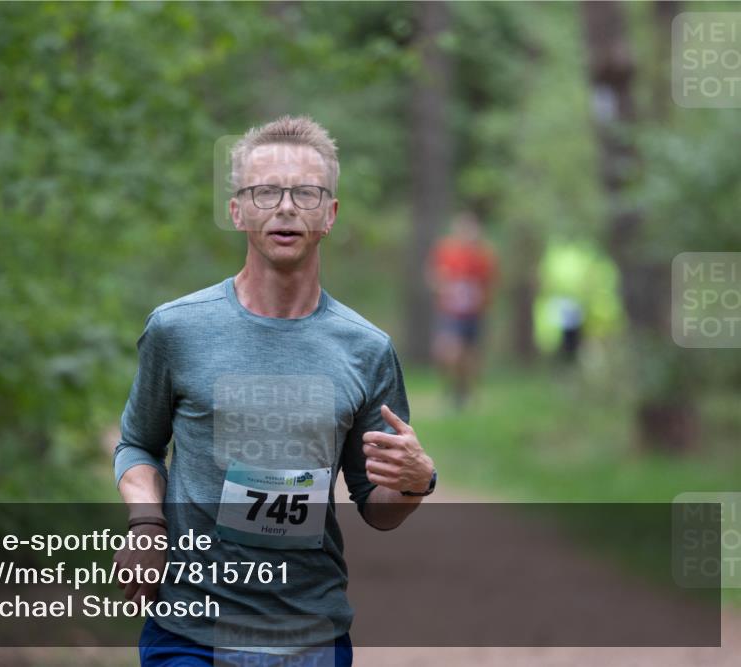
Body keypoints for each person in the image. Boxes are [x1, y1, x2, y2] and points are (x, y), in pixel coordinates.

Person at [113, 116, 436, 667]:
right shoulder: (177, 329)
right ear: (237, 210)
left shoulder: (366, 349)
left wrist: (415, 484)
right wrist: (147, 521)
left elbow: (376, 508)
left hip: (309, 631)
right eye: (266, 192)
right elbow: (138, 444)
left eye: (305, 193)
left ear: (329, 215)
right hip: (190, 629)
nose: (286, 207)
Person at [427, 211, 497, 408]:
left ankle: (464, 392)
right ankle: (450, 388)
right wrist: (443, 286)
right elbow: (434, 276)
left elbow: (490, 283)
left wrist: (481, 298)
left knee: (469, 356)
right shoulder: (446, 251)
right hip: (450, 311)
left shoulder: (484, 255)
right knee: (447, 351)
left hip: (473, 313)